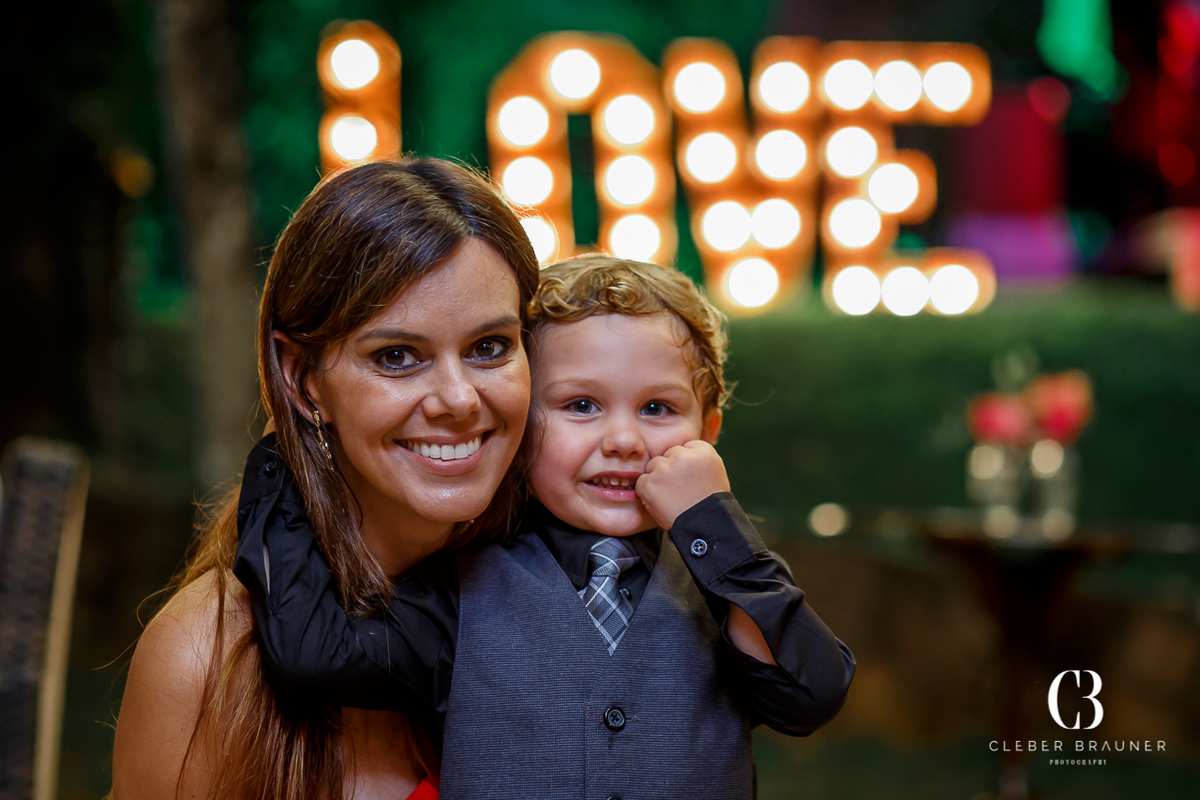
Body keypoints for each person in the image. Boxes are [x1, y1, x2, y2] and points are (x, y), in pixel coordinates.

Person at [235, 256, 856, 799]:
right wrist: (288, 455)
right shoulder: (461, 589)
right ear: (522, 427)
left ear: (708, 431)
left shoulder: (727, 583)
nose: (622, 441)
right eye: (580, 406)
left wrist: (713, 525)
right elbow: (313, 655)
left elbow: (812, 696)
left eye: (658, 409)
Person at [111, 157, 540, 800]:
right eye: (397, 357)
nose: (458, 398)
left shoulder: (566, 596)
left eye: (489, 347)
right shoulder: (203, 664)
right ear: (304, 380)